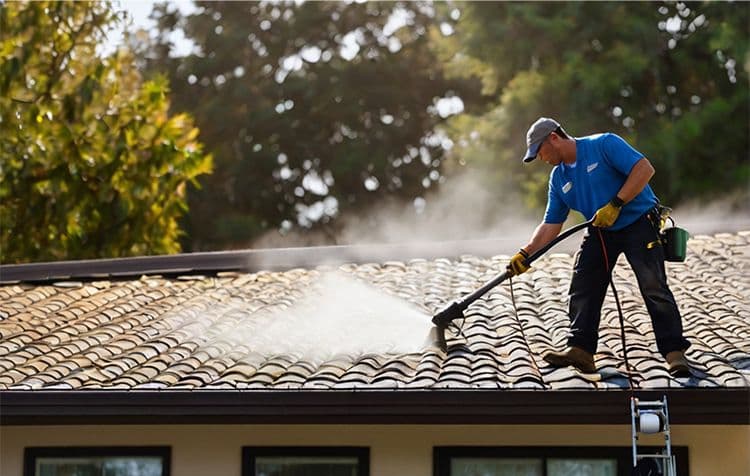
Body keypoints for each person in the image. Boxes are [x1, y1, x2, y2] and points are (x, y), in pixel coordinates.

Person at [507, 117, 691, 377]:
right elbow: (550, 224)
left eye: (540, 151)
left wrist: (616, 203)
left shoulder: (604, 144)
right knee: (583, 283)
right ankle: (581, 350)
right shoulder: (558, 179)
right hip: (601, 228)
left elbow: (644, 169)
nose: (540, 158)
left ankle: (674, 353)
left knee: (653, 285)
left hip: (638, 221)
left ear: (553, 138)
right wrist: (526, 253)